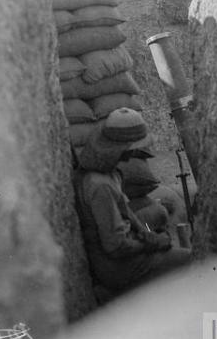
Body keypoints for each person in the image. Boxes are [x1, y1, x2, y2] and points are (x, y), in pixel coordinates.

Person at [74, 107, 192, 294]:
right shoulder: (100, 186)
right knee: (190, 260)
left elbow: (124, 209)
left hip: (126, 253)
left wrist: (146, 233)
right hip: (117, 268)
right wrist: (152, 244)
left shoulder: (110, 172)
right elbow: (115, 246)